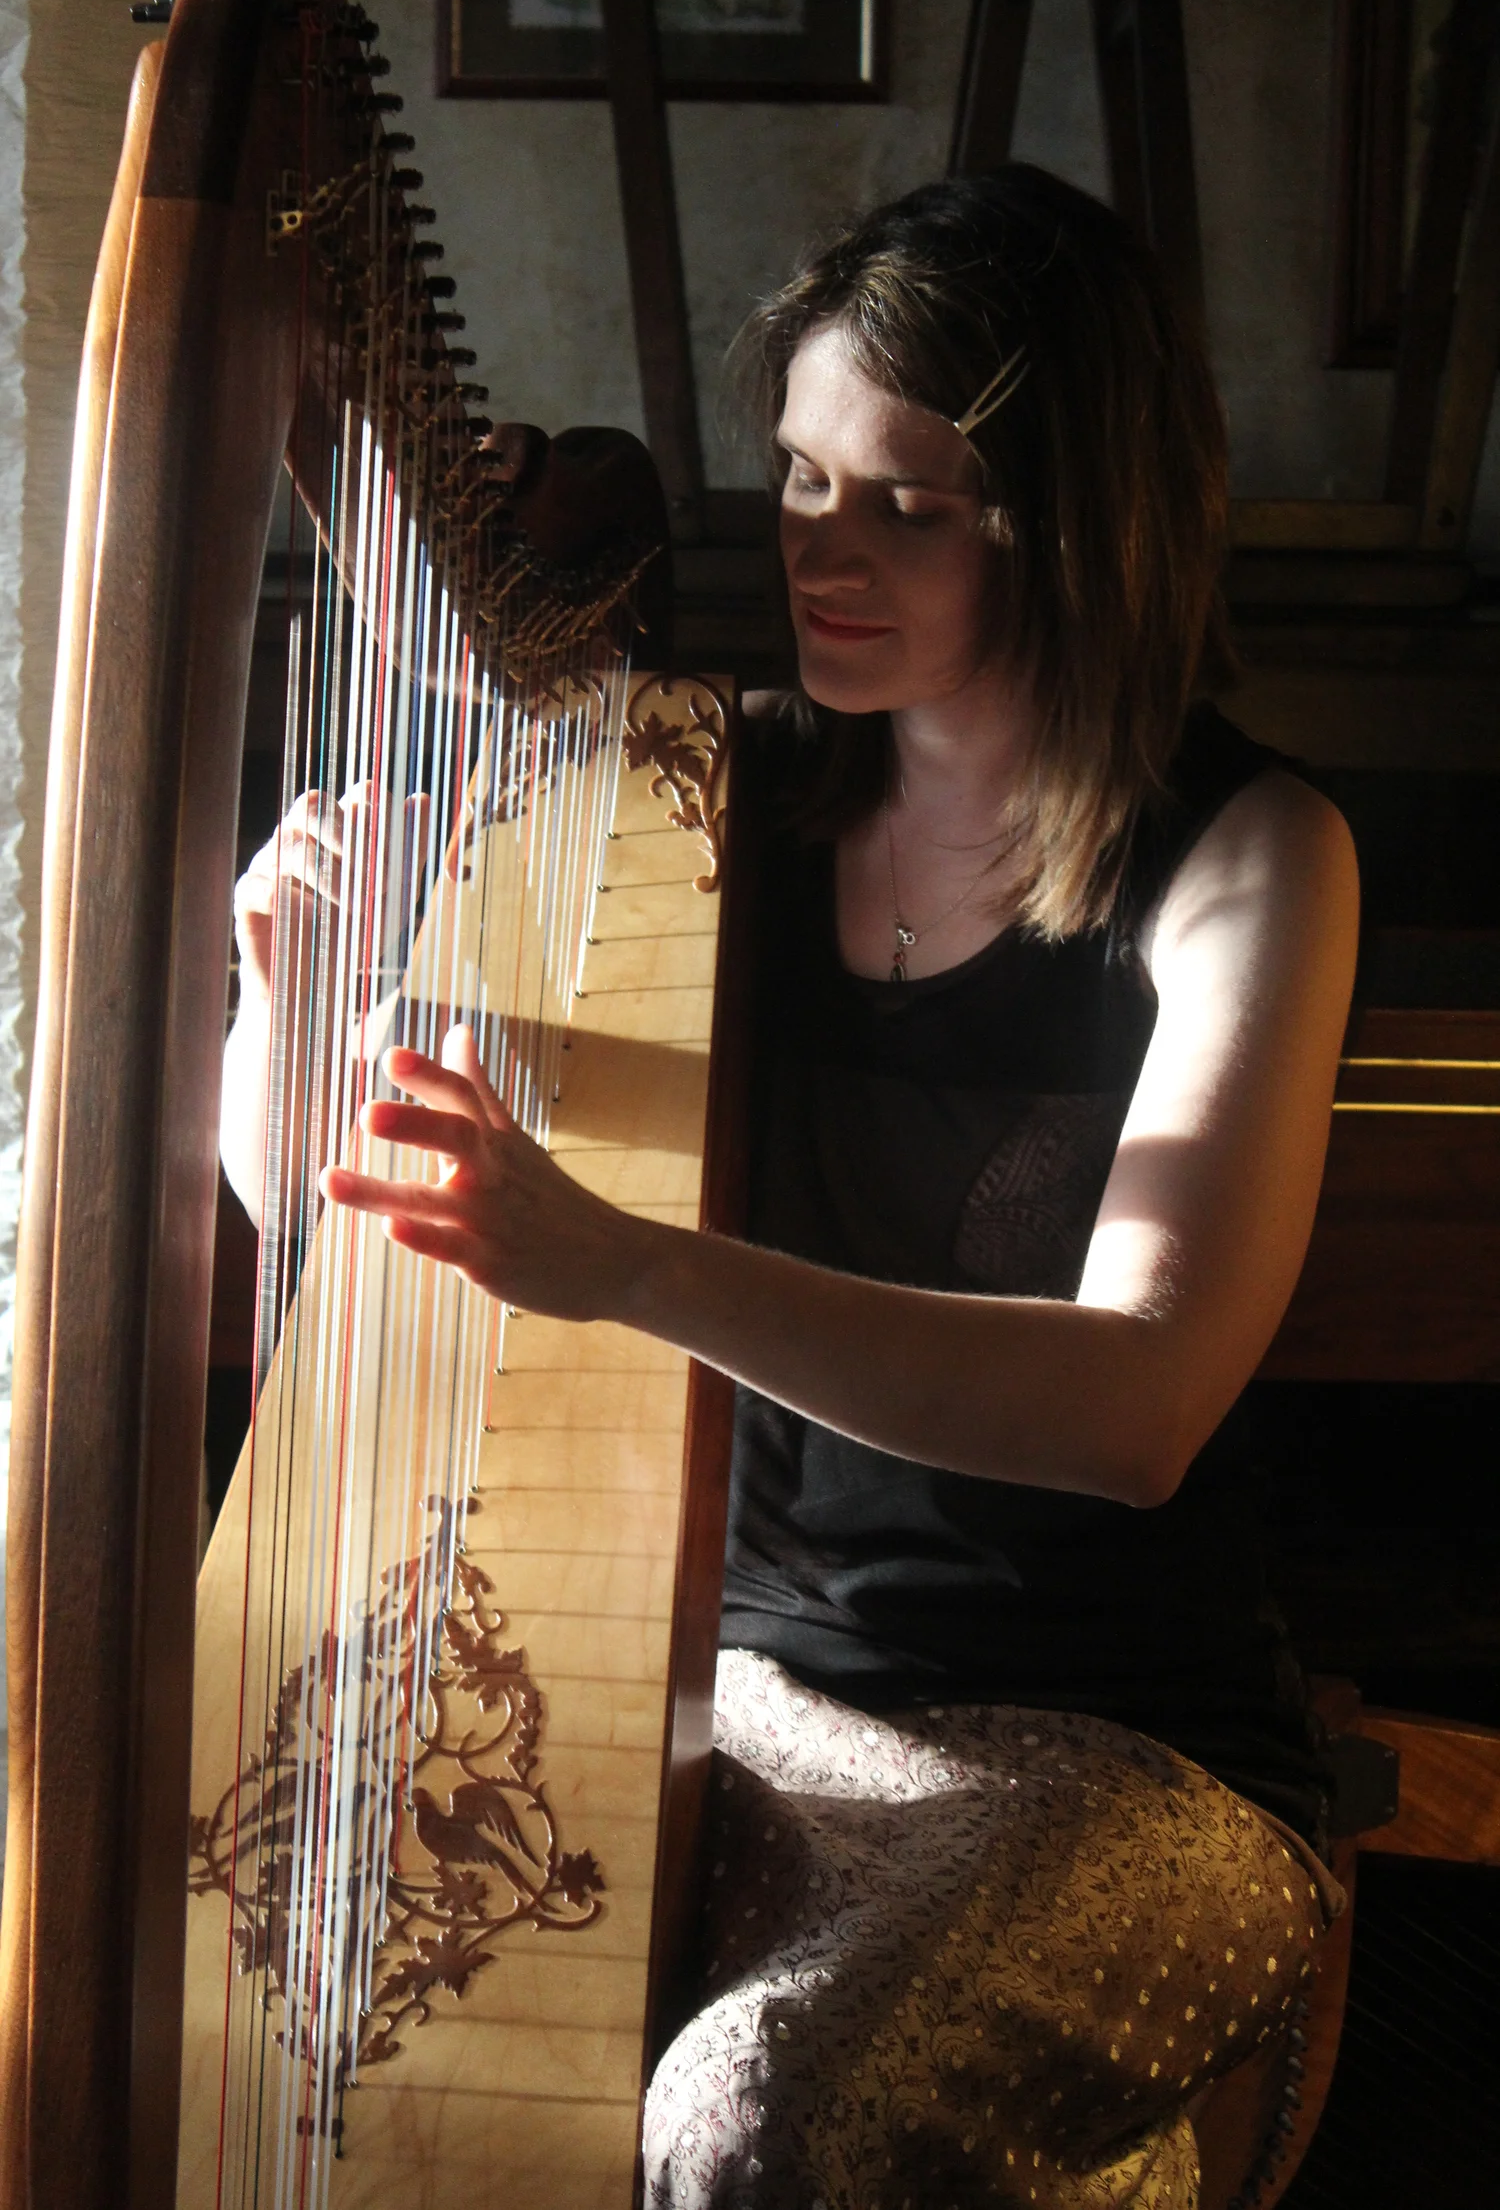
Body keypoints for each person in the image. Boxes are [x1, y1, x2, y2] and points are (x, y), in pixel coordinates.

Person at [237, 166, 1357, 2208]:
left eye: (904, 505)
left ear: (1076, 524)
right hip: (727, 1700)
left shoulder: (1249, 859)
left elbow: (1137, 1406)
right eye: (800, 479)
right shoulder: (699, 797)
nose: (818, 550)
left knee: (749, 2120)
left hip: (1117, 1751)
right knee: (279, 1963)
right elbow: (318, 1213)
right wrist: (289, 1003)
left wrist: (633, 1266)